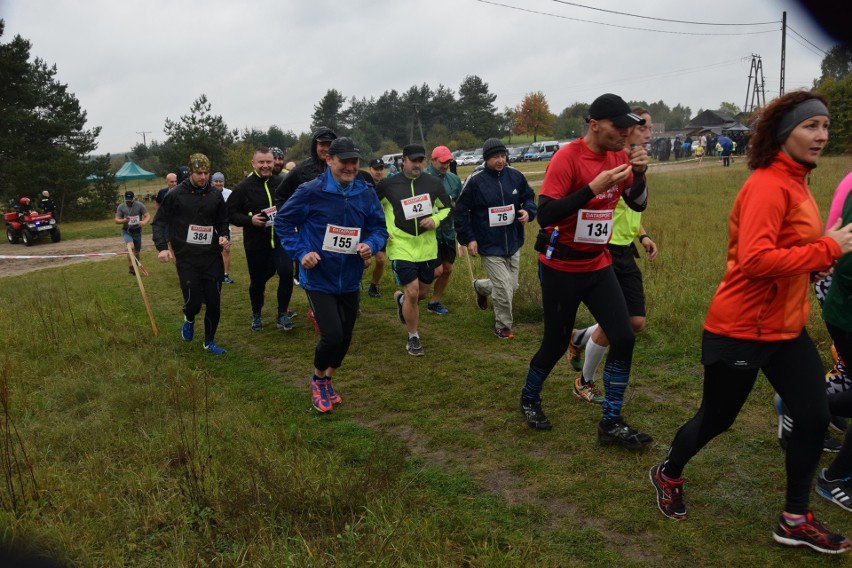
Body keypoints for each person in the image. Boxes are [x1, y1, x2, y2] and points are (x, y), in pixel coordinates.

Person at [648, 91, 852, 554]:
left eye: (825, 126)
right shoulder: (767, 184)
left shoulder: (797, 181)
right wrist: (827, 250)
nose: (822, 135)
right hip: (740, 327)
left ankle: (795, 518)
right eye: (811, 126)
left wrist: (814, 262)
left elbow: (785, 252)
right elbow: (756, 261)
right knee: (718, 418)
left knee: (816, 415)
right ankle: (668, 471)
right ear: (785, 133)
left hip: (785, 327)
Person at [519, 93, 650, 451]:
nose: (626, 133)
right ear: (595, 125)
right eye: (619, 126)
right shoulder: (568, 158)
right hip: (561, 266)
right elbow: (545, 215)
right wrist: (593, 188)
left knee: (623, 336)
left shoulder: (620, 156)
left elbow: (636, 202)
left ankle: (611, 421)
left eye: (630, 127)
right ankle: (529, 398)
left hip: (597, 263)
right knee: (553, 341)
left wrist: (638, 174)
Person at [276, 137, 388, 413]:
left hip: (349, 277)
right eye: (344, 162)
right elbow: (282, 221)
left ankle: (328, 379)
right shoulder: (311, 191)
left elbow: (379, 228)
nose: (350, 167)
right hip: (319, 277)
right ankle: (317, 379)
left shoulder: (365, 192)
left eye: (354, 162)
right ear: (329, 160)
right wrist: (301, 252)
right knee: (333, 335)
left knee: (346, 335)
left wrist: (370, 245)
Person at [568, 108, 658, 404]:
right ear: (626, 130)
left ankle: (580, 337)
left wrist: (642, 235)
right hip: (605, 248)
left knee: (636, 321)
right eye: (643, 127)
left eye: (649, 128)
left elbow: (631, 206)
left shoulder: (634, 162)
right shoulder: (613, 162)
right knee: (614, 323)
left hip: (625, 250)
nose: (648, 133)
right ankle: (584, 381)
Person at [376, 143, 451, 356]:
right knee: (413, 290)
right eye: (413, 160)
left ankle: (401, 301)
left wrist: (435, 220)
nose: (417, 164)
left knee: (422, 293)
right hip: (401, 245)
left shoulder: (433, 183)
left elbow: (447, 208)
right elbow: (370, 208)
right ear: (404, 160)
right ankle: (413, 337)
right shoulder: (388, 185)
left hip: (427, 247)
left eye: (421, 160)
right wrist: (380, 230)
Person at [455, 139, 536, 337]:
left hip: (513, 240)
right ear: (486, 159)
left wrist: (528, 212)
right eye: (494, 157)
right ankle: (503, 326)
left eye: (502, 156)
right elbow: (461, 211)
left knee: (511, 286)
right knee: (503, 287)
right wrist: (469, 238)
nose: (500, 160)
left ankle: (480, 287)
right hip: (488, 243)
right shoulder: (475, 180)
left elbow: (528, 197)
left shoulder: (515, 176)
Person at [152, 153, 231, 355]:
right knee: (194, 303)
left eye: (206, 173)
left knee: (214, 302)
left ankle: (209, 341)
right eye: (198, 173)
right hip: (186, 257)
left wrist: (223, 235)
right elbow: (159, 222)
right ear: (190, 173)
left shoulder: (215, 194)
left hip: (211, 256)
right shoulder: (176, 194)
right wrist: (162, 247)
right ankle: (189, 317)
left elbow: (223, 219)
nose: (203, 177)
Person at [228, 148, 294, 331]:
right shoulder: (243, 188)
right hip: (256, 244)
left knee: (287, 273)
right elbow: (230, 213)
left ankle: (282, 314)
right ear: (253, 164)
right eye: (261, 162)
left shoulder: (281, 183)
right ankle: (256, 314)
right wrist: (250, 220)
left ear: (274, 163)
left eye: (269, 162)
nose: (265, 166)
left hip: (280, 241)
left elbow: (292, 205)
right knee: (258, 281)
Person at [425, 145, 463, 315]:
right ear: (432, 160)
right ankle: (411, 292)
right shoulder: (422, 178)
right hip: (428, 233)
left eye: (448, 161)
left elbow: (460, 202)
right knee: (435, 270)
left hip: (448, 231)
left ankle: (434, 302)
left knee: (447, 269)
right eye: (442, 162)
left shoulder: (453, 179)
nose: (445, 165)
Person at [363, 158, 388, 298]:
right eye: (375, 169)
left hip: (379, 228)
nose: (378, 172)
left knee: (381, 260)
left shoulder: (386, 185)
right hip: (365, 227)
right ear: (369, 170)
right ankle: (353, 287)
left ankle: (373, 286)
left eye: (380, 169)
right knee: (365, 262)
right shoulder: (364, 185)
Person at [115, 190, 151, 275]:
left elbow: (147, 215)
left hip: (137, 231)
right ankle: (131, 266)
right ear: (124, 199)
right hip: (126, 231)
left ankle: (137, 266)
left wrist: (144, 222)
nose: (128, 201)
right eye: (127, 199)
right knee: (131, 247)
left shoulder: (139, 205)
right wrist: (124, 220)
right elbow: (116, 220)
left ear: (133, 199)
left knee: (137, 252)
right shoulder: (121, 207)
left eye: (130, 199)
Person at [211, 172, 234, 284]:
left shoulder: (229, 193)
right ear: (212, 182)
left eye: (221, 181)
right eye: (216, 181)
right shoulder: (207, 193)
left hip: (224, 226)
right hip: (210, 228)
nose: (218, 183)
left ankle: (225, 274)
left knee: (226, 250)